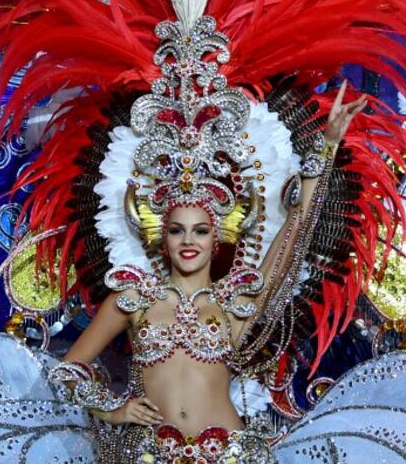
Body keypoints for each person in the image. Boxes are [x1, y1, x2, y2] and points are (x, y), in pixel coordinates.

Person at [51, 82, 366, 463]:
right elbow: (67, 372)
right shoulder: (133, 298)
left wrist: (327, 146)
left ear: (217, 239)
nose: (189, 241)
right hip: (150, 454)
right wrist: (113, 410)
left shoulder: (237, 300)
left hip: (230, 456)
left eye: (200, 231)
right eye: (176, 229)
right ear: (161, 237)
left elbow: (295, 229)